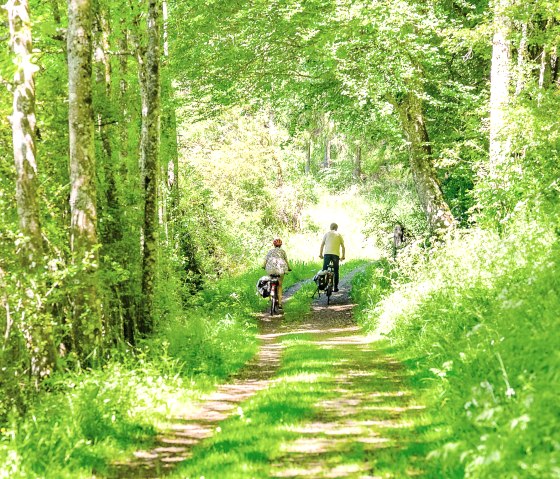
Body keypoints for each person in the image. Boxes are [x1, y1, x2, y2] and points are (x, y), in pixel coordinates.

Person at [262, 238, 291, 308]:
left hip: (270, 269)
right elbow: (286, 261)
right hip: (280, 270)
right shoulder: (283, 252)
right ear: (281, 245)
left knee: (269, 282)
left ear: (274, 245)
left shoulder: (270, 251)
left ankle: (270, 298)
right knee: (279, 285)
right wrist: (289, 268)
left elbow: (265, 260)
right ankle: (280, 303)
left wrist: (263, 266)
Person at [319, 223, 345, 292]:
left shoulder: (326, 234)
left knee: (324, 270)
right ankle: (335, 287)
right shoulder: (339, 235)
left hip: (327, 254)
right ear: (336, 228)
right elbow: (343, 246)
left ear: (330, 228)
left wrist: (320, 254)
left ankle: (323, 285)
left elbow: (322, 245)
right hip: (335, 255)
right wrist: (343, 256)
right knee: (336, 271)